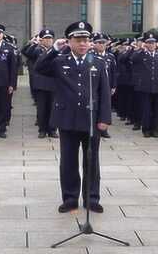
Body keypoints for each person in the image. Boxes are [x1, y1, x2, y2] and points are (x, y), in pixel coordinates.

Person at [35, 21, 111, 214]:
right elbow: (39, 67)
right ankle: (70, 198)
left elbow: (104, 93)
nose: (83, 43)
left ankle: (91, 198)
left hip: (91, 120)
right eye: (78, 39)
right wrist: (54, 49)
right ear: (69, 41)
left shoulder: (98, 63)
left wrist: (104, 119)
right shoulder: (60, 61)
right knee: (68, 161)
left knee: (91, 161)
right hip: (67, 119)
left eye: (86, 39)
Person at [130, 31, 158, 138]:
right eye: (149, 43)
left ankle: (155, 130)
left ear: (156, 44)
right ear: (146, 43)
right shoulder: (141, 55)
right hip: (145, 87)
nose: (151, 45)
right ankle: (146, 129)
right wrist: (141, 49)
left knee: (156, 110)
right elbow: (132, 59)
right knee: (146, 109)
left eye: (153, 43)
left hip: (157, 86)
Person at [22, 29, 58, 138]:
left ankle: (52, 129)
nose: (48, 41)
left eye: (50, 38)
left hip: (53, 83)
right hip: (41, 83)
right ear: (41, 40)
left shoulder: (57, 50)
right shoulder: (37, 50)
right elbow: (25, 52)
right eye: (46, 38)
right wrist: (33, 43)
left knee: (53, 108)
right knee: (42, 108)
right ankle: (42, 129)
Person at [90, 32, 117, 138]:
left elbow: (114, 72)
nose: (101, 45)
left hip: (107, 86)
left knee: (106, 107)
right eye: (98, 42)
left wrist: (114, 86)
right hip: (95, 86)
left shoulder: (110, 56)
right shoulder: (91, 56)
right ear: (94, 44)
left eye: (103, 43)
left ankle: (104, 129)